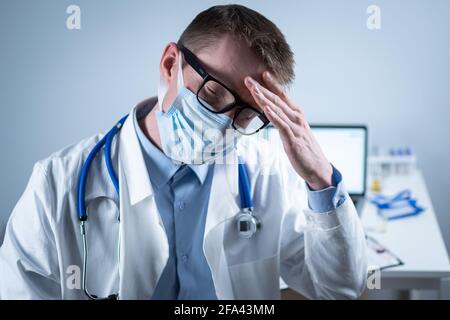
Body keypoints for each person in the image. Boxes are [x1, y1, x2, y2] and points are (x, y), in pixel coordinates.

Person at [0, 4, 367, 299]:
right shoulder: (56, 185)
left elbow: (338, 289)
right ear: (171, 64)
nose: (226, 123)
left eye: (247, 114)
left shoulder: (265, 171)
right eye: (213, 94)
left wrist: (320, 179)